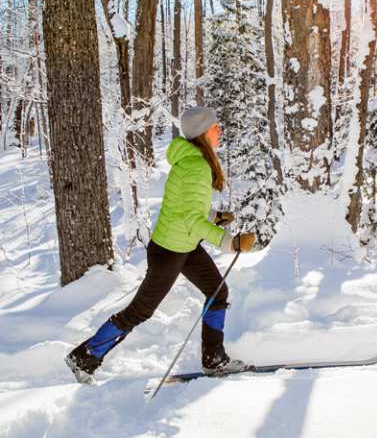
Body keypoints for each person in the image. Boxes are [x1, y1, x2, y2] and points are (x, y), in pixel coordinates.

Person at [65, 106, 256, 383]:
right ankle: (84, 357)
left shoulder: (191, 161)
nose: (220, 130)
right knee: (141, 311)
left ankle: (214, 360)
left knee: (218, 292)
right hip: (170, 251)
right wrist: (231, 242)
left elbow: (183, 206)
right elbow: (190, 217)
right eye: (215, 126)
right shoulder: (196, 166)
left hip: (184, 246)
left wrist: (215, 216)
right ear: (203, 132)